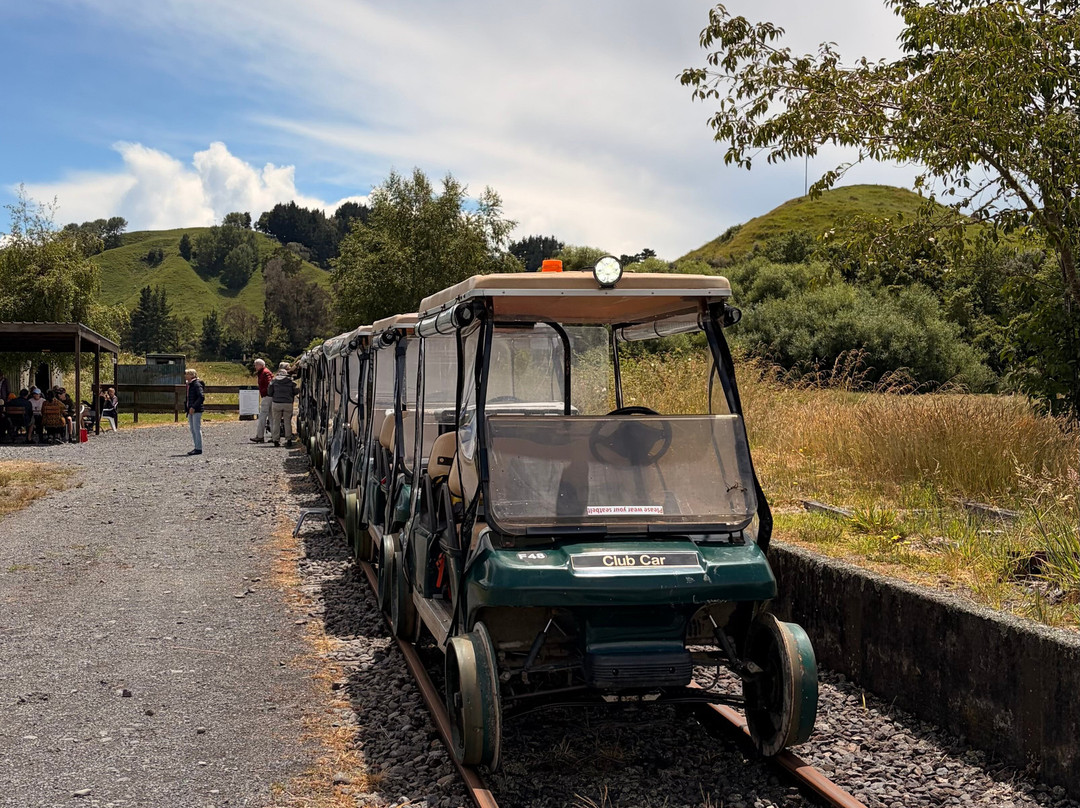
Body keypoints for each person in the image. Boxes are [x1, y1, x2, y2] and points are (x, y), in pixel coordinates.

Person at [267, 362, 298, 447]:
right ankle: (288, 439)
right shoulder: (290, 380)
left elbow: (269, 392)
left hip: (276, 403)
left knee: (276, 422)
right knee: (287, 421)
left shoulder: (274, 381)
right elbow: (295, 391)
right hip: (288, 403)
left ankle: (276, 440)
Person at [250, 358, 273, 443]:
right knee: (271, 416)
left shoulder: (264, 373)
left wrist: (264, 392)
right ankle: (275, 436)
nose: (255, 366)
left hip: (266, 396)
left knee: (262, 416)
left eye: (256, 365)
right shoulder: (266, 372)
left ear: (260, 365)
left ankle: (260, 436)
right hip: (269, 396)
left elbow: (269, 384)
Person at [184, 368, 204, 456]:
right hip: (191, 409)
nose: (185, 376)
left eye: (187, 374)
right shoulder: (190, 385)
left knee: (196, 428)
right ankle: (196, 446)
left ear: (192, 375)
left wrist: (193, 407)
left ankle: (198, 448)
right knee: (193, 429)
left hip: (196, 410)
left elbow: (201, 397)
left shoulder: (196, 384)